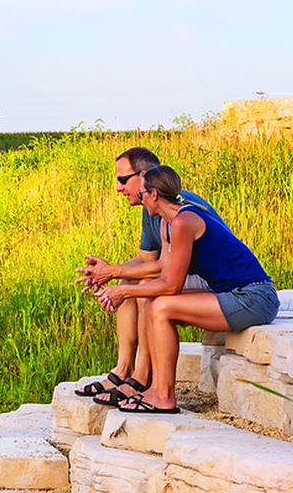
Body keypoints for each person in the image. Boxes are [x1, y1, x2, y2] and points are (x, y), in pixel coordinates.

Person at [94, 165, 278, 414]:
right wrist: (124, 285)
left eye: (142, 195)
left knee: (161, 306)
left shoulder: (184, 220)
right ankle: (155, 387)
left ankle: (164, 396)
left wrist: (124, 292)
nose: (140, 200)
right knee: (151, 302)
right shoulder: (167, 223)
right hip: (228, 292)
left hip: (253, 296)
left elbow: (172, 285)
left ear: (154, 195)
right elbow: (162, 270)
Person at [72, 147, 226, 408]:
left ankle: (142, 377)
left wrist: (114, 272)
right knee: (129, 281)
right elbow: (147, 261)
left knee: (145, 287)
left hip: (212, 282)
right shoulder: (152, 207)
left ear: (144, 177)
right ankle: (123, 370)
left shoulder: (176, 208)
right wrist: (108, 272)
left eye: (123, 179)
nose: (118, 188)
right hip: (183, 276)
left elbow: (164, 270)